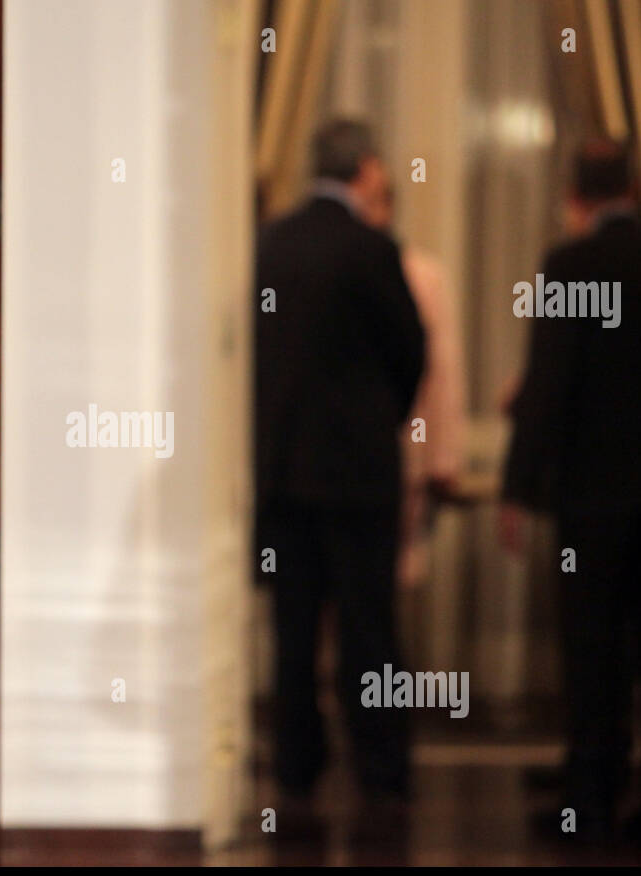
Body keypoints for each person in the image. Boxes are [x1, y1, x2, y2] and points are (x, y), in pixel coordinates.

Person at [500, 140, 641, 848]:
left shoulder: (569, 266)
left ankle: (589, 802)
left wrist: (517, 489)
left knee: (592, 651)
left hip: (591, 498)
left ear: (576, 195)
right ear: (635, 186)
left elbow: (548, 389)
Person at [254, 119, 425, 821]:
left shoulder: (272, 244)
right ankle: (379, 764)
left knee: (293, 628)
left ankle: (297, 763)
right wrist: (380, 419)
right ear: (366, 170)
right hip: (358, 474)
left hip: (284, 467)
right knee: (368, 626)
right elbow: (409, 351)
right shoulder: (373, 248)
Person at [361, 180, 468, 587]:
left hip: (406, 450)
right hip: (352, 456)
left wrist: (444, 456)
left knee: (386, 582)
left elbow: (442, 370)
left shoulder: (420, 274)